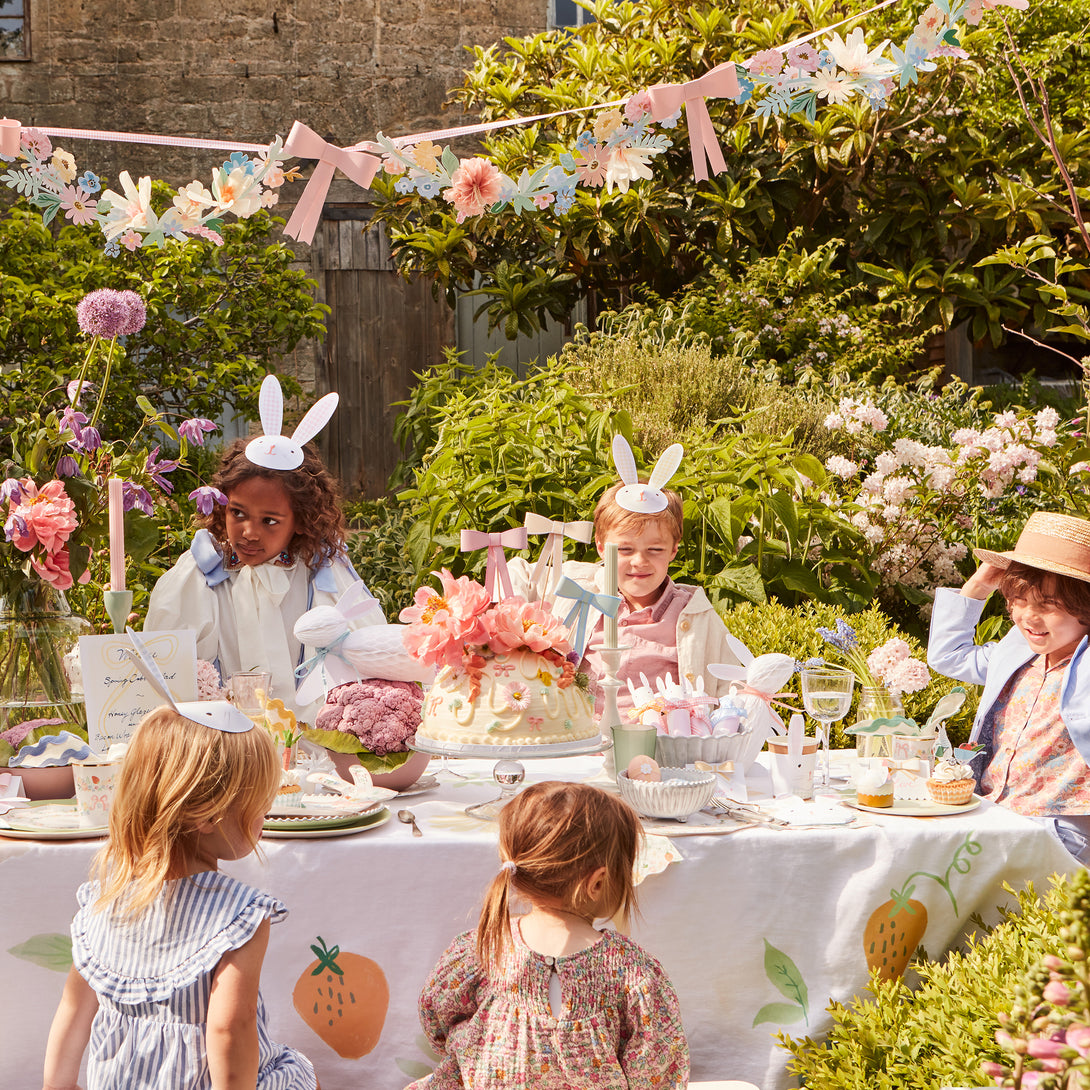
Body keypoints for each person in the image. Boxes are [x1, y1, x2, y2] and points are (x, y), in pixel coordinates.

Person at [40, 705, 318, 1090]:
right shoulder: (240, 915)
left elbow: (72, 1012)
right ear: (205, 815)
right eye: (259, 801)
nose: (266, 811)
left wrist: (59, 1086)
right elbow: (228, 1031)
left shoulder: (103, 902)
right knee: (299, 1075)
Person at [407, 781, 689, 1090]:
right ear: (597, 882)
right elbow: (658, 1073)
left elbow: (435, 1021)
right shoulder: (634, 975)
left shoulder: (479, 950)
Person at [145, 436, 381, 722]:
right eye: (238, 513)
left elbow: (361, 657)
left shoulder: (321, 576)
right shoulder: (200, 576)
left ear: (301, 520)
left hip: (311, 743)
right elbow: (167, 668)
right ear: (222, 506)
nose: (249, 532)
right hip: (223, 744)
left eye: (269, 521)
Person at [927, 510, 1090, 863]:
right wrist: (979, 587)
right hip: (992, 814)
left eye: (1049, 605)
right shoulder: (1017, 652)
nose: (1029, 617)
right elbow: (948, 655)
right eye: (1019, 600)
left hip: (1061, 830)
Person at [511, 478, 743, 717]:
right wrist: (509, 617)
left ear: (674, 549)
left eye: (655, 550)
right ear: (601, 547)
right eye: (624, 549)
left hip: (656, 742)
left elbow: (732, 683)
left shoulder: (694, 615)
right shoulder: (581, 585)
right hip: (581, 738)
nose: (639, 561)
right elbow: (519, 573)